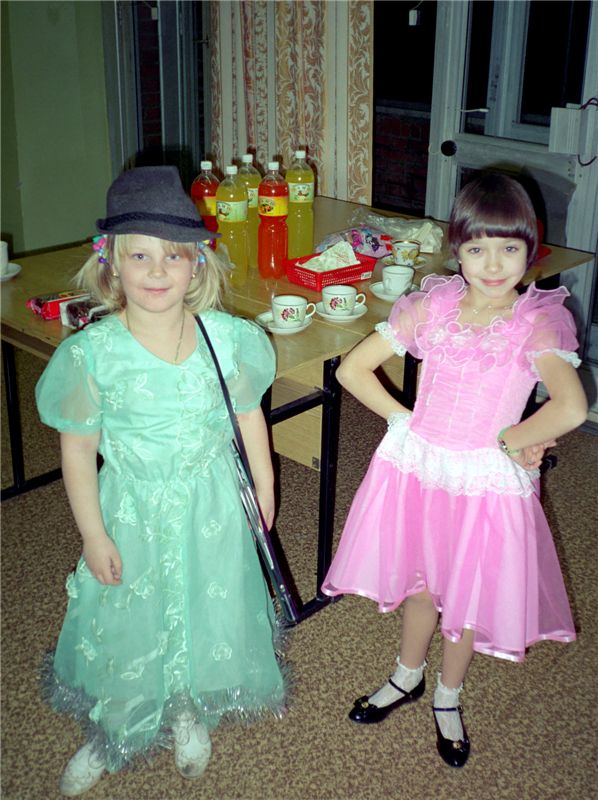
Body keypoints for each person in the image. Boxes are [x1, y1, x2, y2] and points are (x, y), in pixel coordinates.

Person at [36, 166, 287, 796]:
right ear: (111, 265)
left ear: (197, 265)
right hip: (132, 510)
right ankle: (113, 724)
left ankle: (186, 708)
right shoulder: (92, 354)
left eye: (173, 256)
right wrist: (93, 534)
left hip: (212, 507)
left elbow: (249, 416)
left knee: (206, 604)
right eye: (139, 256)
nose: (156, 271)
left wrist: (264, 489)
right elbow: (78, 450)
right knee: (129, 616)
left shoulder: (227, 340)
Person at [321, 174, 587, 767]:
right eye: (476, 248)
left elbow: (570, 407)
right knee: (421, 583)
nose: (492, 264)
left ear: (530, 250)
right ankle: (406, 676)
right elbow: (351, 370)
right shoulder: (432, 306)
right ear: (457, 251)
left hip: (483, 484)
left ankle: (447, 695)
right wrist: (401, 419)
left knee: (465, 598)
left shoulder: (536, 321)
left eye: (509, 248)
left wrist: (515, 439)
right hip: (419, 469)